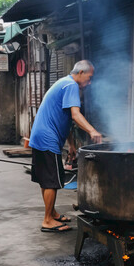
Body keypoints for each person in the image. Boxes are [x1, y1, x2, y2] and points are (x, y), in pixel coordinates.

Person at [29, 60, 102, 233]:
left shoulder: (63, 82)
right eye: (89, 78)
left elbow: (66, 119)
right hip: (47, 139)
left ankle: (52, 213)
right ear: (81, 72)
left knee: (46, 180)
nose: (89, 82)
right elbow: (75, 115)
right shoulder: (71, 85)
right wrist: (92, 131)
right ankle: (47, 220)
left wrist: (71, 145)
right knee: (52, 181)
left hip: (40, 136)